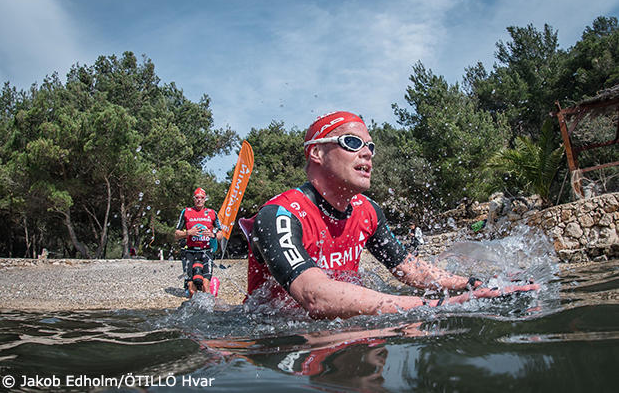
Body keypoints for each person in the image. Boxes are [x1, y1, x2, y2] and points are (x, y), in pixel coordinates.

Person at [244, 111, 538, 319]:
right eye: (352, 142)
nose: (367, 153)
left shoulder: (368, 211)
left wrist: (471, 284)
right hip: (275, 337)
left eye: (370, 146)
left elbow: (408, 268)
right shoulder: (280, 215)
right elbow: (315, 297)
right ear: (317, 153)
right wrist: (432, 306)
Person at [175, 187, 223, 297]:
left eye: (202, 198)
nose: (199, 200)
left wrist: (213, 235)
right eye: (197, 197)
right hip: (190, 252)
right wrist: (188, 232)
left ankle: (208, 306)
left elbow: (221, 234)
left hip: (206, 252)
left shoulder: (212, 213)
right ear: (193, 199)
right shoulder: (186, 212)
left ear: (205, 199)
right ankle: (193, 304)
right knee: (192, 289)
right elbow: (176, 234)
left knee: (205, 285)